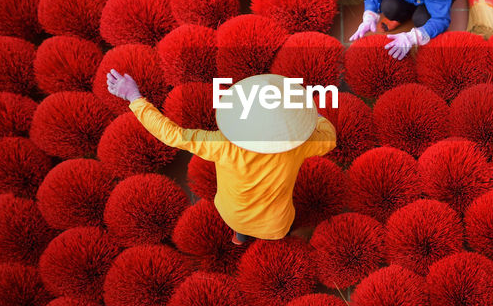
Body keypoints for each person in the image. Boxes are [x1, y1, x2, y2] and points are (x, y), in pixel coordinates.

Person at [105, 70, 336, 245]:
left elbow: (171, 135)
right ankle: (262, 237)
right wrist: (310, 116)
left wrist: (134, 97)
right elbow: (329, 138)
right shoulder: (299, 146)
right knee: (277, 232)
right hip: (276, 223)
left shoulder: (222, 145)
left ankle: (239, 238)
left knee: (240, 227)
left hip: (232, 214)